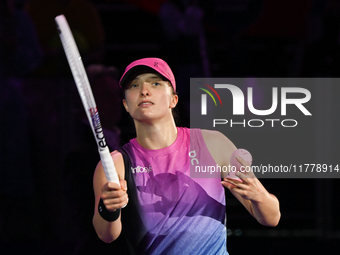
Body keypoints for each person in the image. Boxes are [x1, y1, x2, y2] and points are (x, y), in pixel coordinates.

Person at [92, 57, 280, 254]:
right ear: (125, 105)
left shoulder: (213, 143)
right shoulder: (116, 164)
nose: (144, 90)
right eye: (134, 85)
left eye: (155, 83)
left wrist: (259, 196)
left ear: (174, 99)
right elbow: (106, 235)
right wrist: (109, 208)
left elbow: (271, 217)